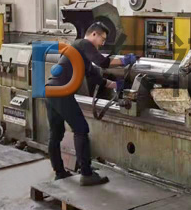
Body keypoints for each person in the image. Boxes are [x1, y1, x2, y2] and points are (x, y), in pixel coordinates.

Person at [46, 21, 138, 184]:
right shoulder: (83, 43)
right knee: (81, 129)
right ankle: (86, 174)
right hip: (61, 92)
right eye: (102, 39)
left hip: (51, 90)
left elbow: (96, 79)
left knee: (56, 133)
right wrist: (124, 60)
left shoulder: (79, 54)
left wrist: (116, 85)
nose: (102, 44)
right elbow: (103, 62)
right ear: (94, 34)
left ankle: (60, 172)